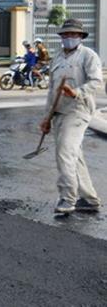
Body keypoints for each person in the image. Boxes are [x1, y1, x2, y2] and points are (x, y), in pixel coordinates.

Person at [39, 19, 102, 214]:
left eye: (73, 34)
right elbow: (52, 91)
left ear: (80, 37)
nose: (69, 38)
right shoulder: (57, 58)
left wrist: (76, 91)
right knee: (75, 155)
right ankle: (90, 199)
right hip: (59, 113)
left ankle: (67, 198)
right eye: (66, 35)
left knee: (65, 152)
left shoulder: (88, 56)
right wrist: (47, 117)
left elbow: (96, 82)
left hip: (78, 111)